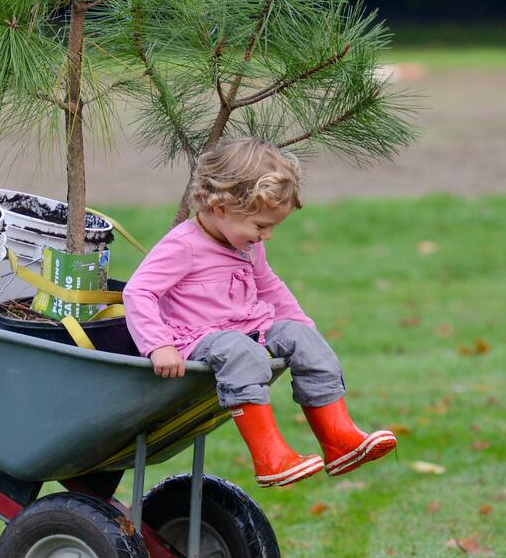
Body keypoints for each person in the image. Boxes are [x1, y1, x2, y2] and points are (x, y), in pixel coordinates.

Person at [122, 138, 397, 487]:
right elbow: (139, 291)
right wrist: (158, 344)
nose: (267, 236)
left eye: (272, 227)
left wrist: (301, 326)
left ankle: (339, 439)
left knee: (303, 338)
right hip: (197, 338)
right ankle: (270, 456)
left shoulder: (245, 244)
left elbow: (269, 287)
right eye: (260, 226)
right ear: (220, 206)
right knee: (239, 351)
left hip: (252, 329)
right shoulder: (184, 245)